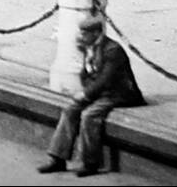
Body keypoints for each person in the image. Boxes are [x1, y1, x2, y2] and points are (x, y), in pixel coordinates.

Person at [38, 15, 145, 177]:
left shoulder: (112, 50)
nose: (81, 36)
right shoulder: (88, 47)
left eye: (84, 33)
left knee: (89, 115)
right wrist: (86, 91)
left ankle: (90, 163)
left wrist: (86, 94)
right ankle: (57, 158)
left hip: (119, 94)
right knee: (70, 109)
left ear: (97, 33)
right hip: (101, 92)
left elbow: (105, 79)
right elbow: (86, 75)